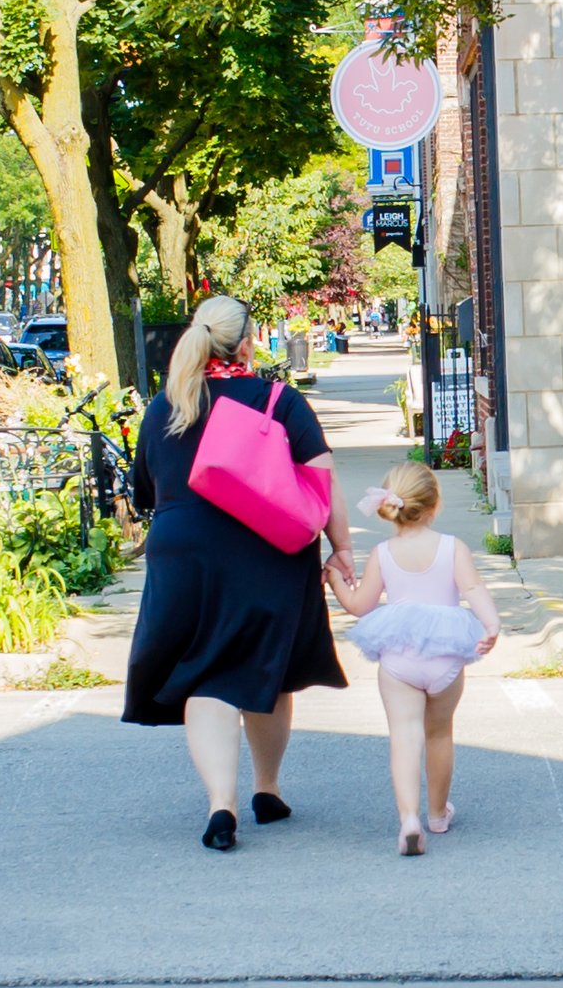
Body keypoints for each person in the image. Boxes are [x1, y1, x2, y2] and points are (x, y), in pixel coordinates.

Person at [125, 295, 354, 851]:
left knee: (205, 675)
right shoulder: (279, 400)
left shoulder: (166, 406)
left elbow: (146, 492)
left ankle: (219, 804)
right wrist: (342, 548)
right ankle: (267, 789)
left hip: (184, 556)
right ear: (249, 342)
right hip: (267, 553)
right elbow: (322, 484)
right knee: (266, 669)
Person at [323, 461, 502, 855]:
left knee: (405, 736)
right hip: (445, 654)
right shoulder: (453, 547)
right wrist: (490, 625)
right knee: (439, 733)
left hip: (398, 656)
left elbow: (359, 605)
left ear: (391, 508)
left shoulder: (383, 554)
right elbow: (472, 587)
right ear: (434, 506)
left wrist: (334, 578)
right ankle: (438, 814)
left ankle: (409, 819)